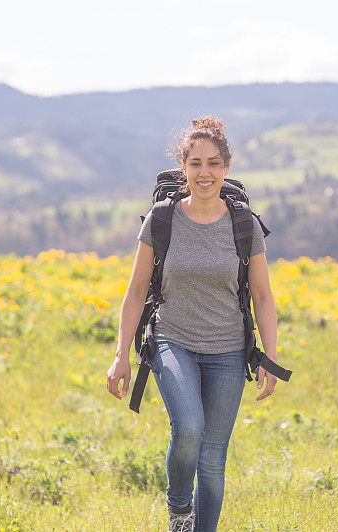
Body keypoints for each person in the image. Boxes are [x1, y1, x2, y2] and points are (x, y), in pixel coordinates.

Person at [105, 116, 281, 532]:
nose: (205, 173)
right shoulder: (162, 220)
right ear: (183, 167)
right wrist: (120, 357)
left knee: (213, 458)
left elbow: (263, 296)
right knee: (188, 428)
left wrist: (269, 358)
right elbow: (134, 292)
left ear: (227, 167)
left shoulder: (245, 225)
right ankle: (180, 511)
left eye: (214, 163)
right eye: (196, 163)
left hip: (228, 349)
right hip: (173, 341)